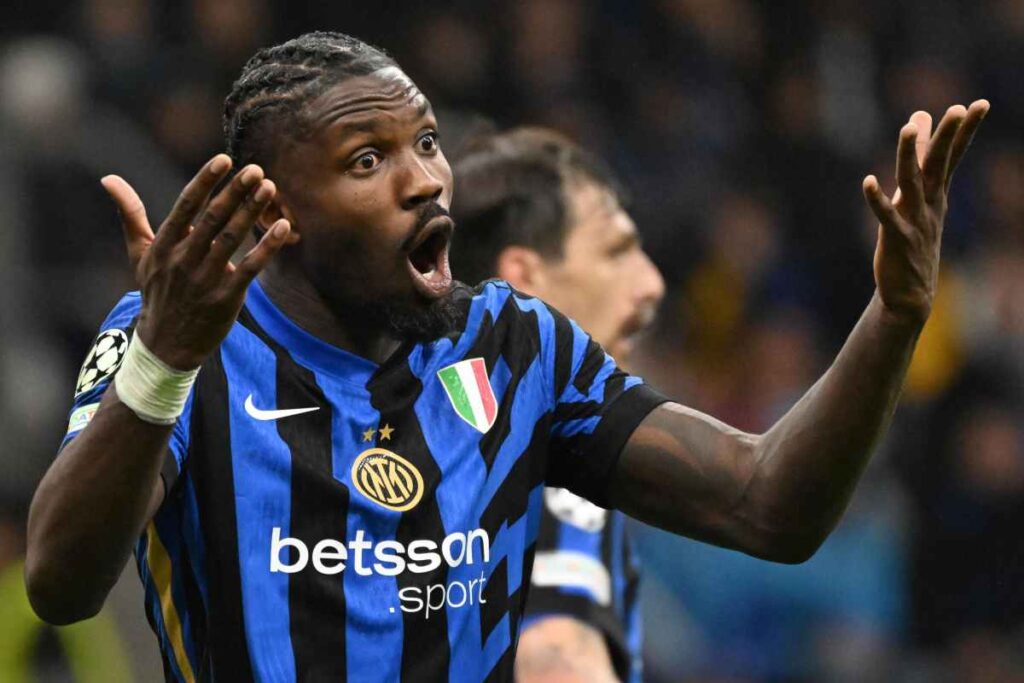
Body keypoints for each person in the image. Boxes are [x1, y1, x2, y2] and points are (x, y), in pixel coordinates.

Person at [23, 31, 986, 682]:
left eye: (427, 142)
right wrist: (163, 359)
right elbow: (61, 583)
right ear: (280, 210)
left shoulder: (518, 345)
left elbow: (767, 503)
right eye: (369, 160)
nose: (424, 180)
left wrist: (894, 318)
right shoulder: (179, 336)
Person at [450, 127, 664, 683]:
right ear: (525, 279)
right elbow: (556, 657)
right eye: (616, 250)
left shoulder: (433, 423)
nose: (651, 283)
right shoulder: (540, 449)